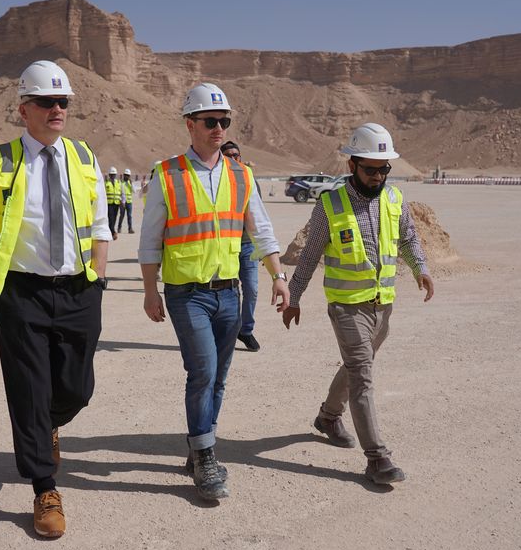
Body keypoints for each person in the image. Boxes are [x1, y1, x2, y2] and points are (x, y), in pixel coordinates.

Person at [0, 60, 110, 538]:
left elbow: (102, 228)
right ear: (24, 110)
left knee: (77, 388)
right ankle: (45, 487)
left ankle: (47, 427)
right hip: (20, 290)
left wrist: (98, 283)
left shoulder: (85, 157)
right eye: (47, 101)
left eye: (63, 101)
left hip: (79, 288)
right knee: (28, 390)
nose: (57, 109)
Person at [139, 82, 289, 502]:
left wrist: (277, 275)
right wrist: (150, 291)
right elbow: (150, 238)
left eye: (224, 121)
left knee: (220, 377)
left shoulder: (242, 175)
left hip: (229, 294)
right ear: (190, 124)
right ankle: (205, 458)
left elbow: (260, 230)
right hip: (187, 294)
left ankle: (199, 444)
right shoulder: (167, 174)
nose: (219, 128)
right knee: (202, 370)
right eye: (210, 121)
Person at [282, 123, 435, 485]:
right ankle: (377, 458)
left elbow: (408, 239)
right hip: (347, 307)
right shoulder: (329, 204)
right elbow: (309, 257)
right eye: (371, 168)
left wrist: (421, 269)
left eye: (385, 168)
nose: (379, 175)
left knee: (356, 367)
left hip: (383, 305)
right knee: (362, 376)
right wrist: (295, 297)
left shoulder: (395, 199)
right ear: (351, 165)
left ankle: (328, 417)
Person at [221, 140, 262, 352]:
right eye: (228, 156)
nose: (233, 159)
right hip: (226, 245)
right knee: (228, 291)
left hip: (247, 246)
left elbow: (259, 216)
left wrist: (262, 246)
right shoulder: (216, 184)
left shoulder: (249, 181)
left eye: (236, 155)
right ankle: (229, 330)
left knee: (252, 289)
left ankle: (245, 330)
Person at [116, 168, 135, 234]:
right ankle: (119, 227)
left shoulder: (130, 183)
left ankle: (130, 229)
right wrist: (121, 201)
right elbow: (119, 192)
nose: (127, 176)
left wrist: (131, 184)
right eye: (126, 175)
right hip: (123, 203)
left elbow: (134, 191)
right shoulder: (121, 183)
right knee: (122, 215)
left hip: (129, 202)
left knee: (129, 215)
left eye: (128, 175)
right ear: (124, 175)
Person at [105, 166, 121, 240]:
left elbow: (121, 192)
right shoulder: (106, 183)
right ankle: (113, 232)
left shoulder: (118, 183)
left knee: (114, 218)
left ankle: (110, 231)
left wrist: (122, 201)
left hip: (116, 203)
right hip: (109, 203)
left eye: (114, 174)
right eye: (112, 174)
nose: (113, 176)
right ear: (109, 175)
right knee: (110, 218)